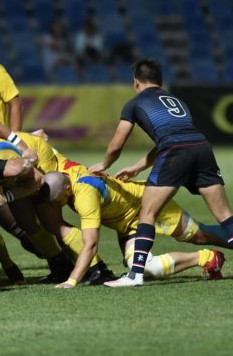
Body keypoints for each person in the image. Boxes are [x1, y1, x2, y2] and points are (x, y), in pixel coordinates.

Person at [87, 59, 233, 287]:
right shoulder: (178, 101)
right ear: (160, 81)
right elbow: (177, 135)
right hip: (202, 148)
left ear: (136, 82)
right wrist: (138, 167)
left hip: (175, 153)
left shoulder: (135, 103)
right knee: (225, 217)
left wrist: (104, 164)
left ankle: (134, 275)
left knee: (147, 213)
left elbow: (116, 144)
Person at [42, 171, 226, 289]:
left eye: (57, 200)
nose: (55, 205)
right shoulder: (69, 175)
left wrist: (71, 281)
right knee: (146, 268)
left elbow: (90, 244)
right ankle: (208, 258)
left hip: (149, 206)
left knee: (200, 235)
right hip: (128, 225)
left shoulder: (85, 197)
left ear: (67, 188)